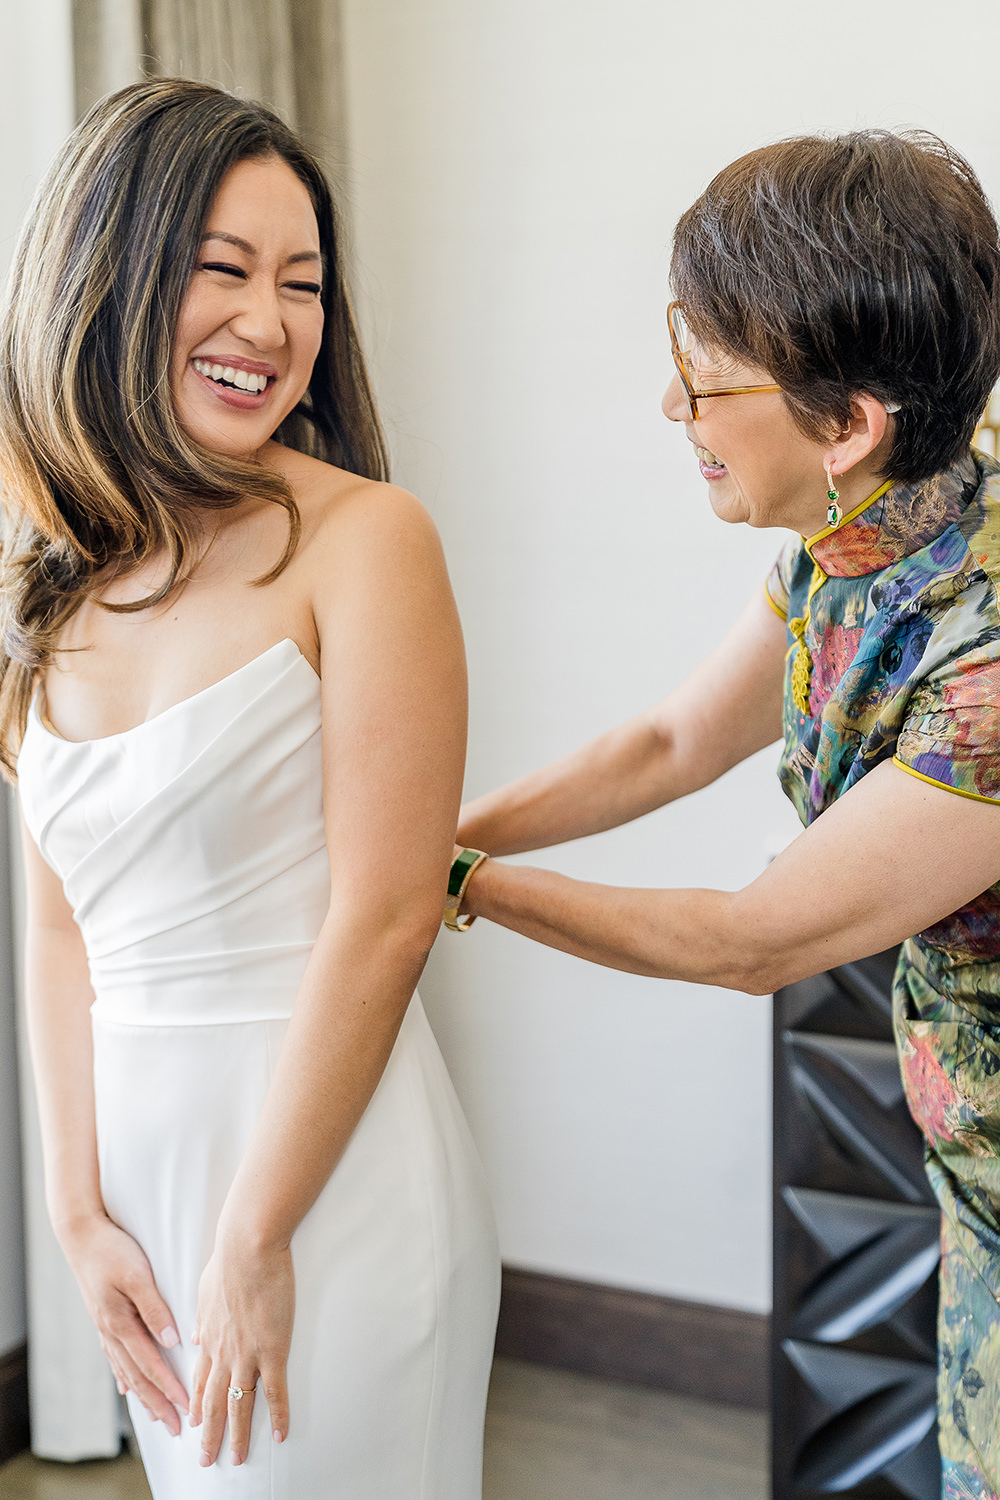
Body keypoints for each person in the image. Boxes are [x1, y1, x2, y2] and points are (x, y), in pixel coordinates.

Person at [449, 131, 1000, 1499]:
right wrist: (441, 830)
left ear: (847, 422)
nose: (670, 411)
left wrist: (452, 884)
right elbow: (671, 741)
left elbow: (752, 942)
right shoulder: (862, 529)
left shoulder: (987, 666)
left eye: (702, 385)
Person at [0, 78, 499, 1498]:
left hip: (330, 1189)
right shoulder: (44, 583)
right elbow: (58, 931)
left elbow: (391, 914)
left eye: (303, 283)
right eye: (221, 271)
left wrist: (256, 1231)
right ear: (104, 280)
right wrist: (77, 1215)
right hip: (148, 1215)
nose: (271, 326)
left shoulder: (366, 541)